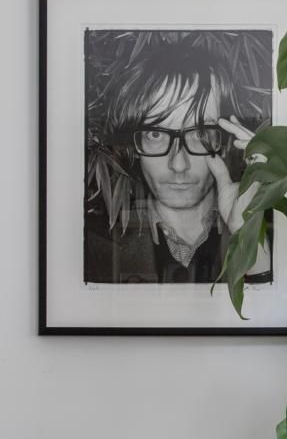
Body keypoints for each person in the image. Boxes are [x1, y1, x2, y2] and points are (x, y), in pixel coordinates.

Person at [84, 33, 268, 286]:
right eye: (156, 134)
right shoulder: (88, 249)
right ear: (133, 146)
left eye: (200, 134)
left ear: (226, 141)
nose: (178, 164)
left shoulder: (283, 237)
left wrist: (250, 237)